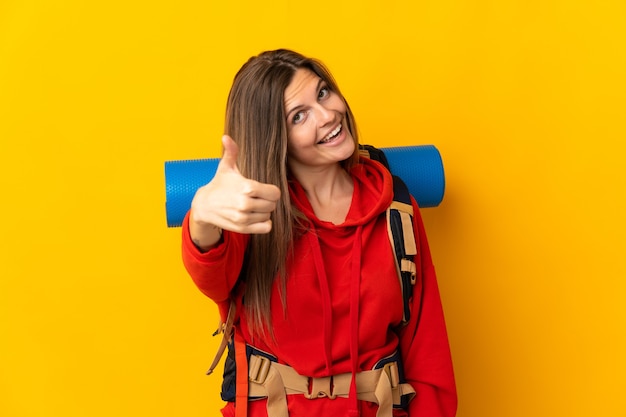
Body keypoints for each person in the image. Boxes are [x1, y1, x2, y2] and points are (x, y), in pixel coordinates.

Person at [181, 49, 457, 417]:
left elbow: (428, 351)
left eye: (323, 93)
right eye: (300, 115)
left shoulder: (396, 207)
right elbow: (211, 274)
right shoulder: (252, 213)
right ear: (275, 139)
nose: (329, 116)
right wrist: (201, 218)